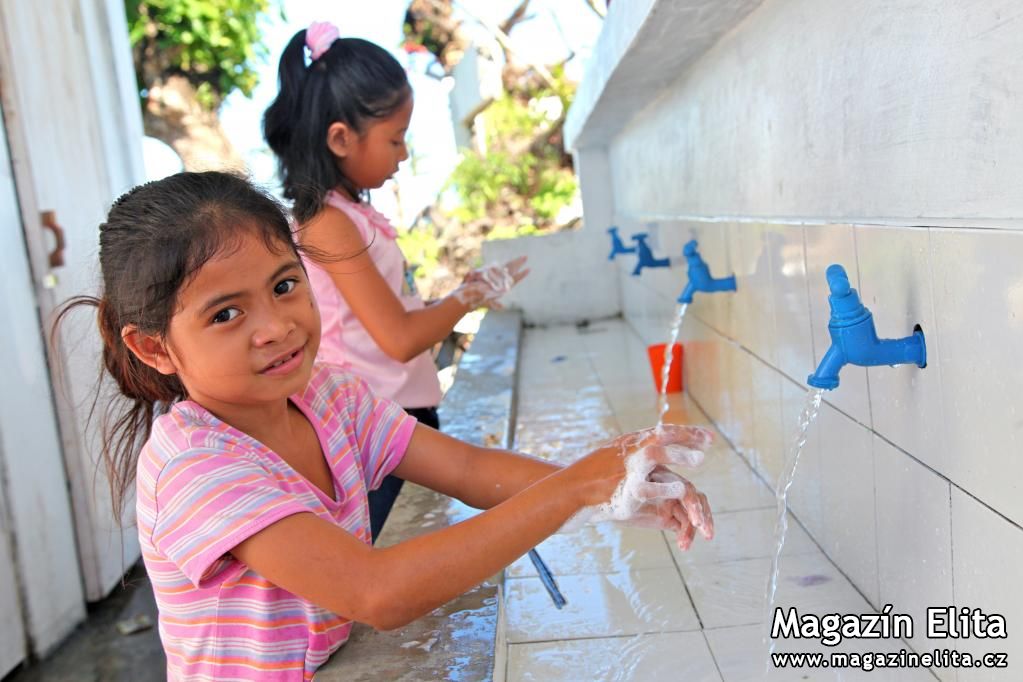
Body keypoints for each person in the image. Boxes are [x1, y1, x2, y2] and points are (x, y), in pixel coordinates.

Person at [55, 171, 714, 681]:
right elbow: (378, 592)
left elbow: (466, 469)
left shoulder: (327, 394)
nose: (277, 325)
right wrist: (572, 489)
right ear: (154, 348)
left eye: (285, 286)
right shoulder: (196, 466)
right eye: (227, 314)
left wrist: (612, 487)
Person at [263, 22, 529, 541]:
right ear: (340, 138)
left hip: (394, 415)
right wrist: (467, 295)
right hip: (371, 429)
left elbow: (386, 317)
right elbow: (400, 337)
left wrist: (452, 296)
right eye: (395, 138)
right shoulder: (329, 223)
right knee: (391, 552)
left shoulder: (352, 216)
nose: (404, 154)